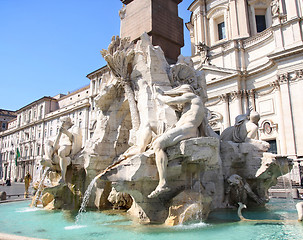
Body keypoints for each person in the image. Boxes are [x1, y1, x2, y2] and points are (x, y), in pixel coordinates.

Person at [148, 84, 205, 198]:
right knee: (155, 143)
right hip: (186, 129)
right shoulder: (188, 108)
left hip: (187, 129)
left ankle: (163, 182)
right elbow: (175, 105)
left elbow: (170, 101)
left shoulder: (192, 96)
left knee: (158, 144)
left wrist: (158, 95)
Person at [43, 116, 82, 184]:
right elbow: (56, 141)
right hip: (60, 144)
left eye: (63, 122)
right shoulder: (61, 129)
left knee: (61, 151)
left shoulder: (75, 128)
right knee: (47, 142)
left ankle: (63, 178)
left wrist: (66, 132)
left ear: (67, 122)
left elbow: (76, 138)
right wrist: (59, 134)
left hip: (68, 145)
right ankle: (48, 159)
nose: (61, 124)